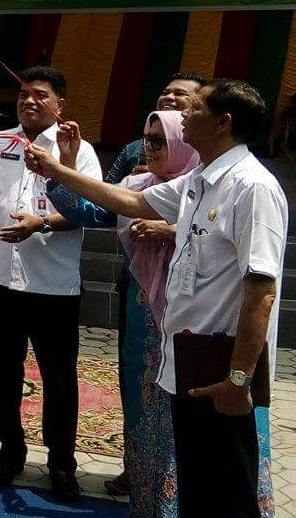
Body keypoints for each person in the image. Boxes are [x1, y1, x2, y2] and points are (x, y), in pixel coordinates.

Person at [25, 79, 287, 518]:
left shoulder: (252, 187)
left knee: (228, 493)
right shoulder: (198, 182)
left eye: (196, 107)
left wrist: (239, 379)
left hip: (219, 362)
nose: (183, 115)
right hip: (183, 356)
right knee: (199, 487)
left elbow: (261, 290)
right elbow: (129, 199)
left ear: (223, 122)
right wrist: (57, 170)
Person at [0, 65, 101, 502]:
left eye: (40, 94)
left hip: (52, 285)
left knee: (59, 378)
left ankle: (61, 463)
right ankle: (10, 450)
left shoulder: (78, 149)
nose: (29, 101)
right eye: (22, 94)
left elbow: (88, 211)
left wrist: (42, 222)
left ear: (60, 104)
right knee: (2, 372)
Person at [45, 111, 198, 517]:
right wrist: (64, 166)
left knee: (187, 409)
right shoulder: (137, 184)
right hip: (145, 305)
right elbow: (88, 209)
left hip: (196, 313)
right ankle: (145, 487)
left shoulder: (208, 186)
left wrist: (172, 232)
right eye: (145, 140)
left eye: (159, 140)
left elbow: (227, 245)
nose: (148, 149)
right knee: (141, 395)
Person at [100, 71, 205, 497]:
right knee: (138, 378)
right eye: (164, 93)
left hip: (196, 294)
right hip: (141, 284)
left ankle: (183, 477)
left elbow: (220, 230)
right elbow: (107, 198)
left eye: (181, 96)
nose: (153, 146)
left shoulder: (213, 162)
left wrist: (172, 229)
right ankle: (138, 467)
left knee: (189, 386)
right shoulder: (133, 151)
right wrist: (62, 176)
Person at [104, 74, 206, 185]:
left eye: (180, 93)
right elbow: (105, 189)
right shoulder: (134, 149)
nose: (168, 97)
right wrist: (138, 182)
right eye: (165, 93)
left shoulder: (207, 152)